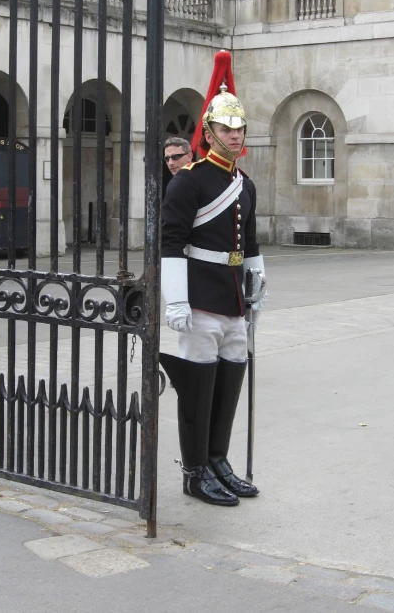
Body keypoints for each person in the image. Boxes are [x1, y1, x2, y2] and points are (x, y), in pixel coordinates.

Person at [159, 50, 266, 507]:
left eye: (240, 128)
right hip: (201, 297)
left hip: (233, 299)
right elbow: (170, 242)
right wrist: (176, 301)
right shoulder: (190, 180)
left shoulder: (246, 183)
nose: (235, 135)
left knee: (229, 384)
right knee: (198, 388)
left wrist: (257, 287)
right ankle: (195, 469)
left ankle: (219, 460)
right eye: (226, 128)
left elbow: (252, 242)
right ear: (209, 132)